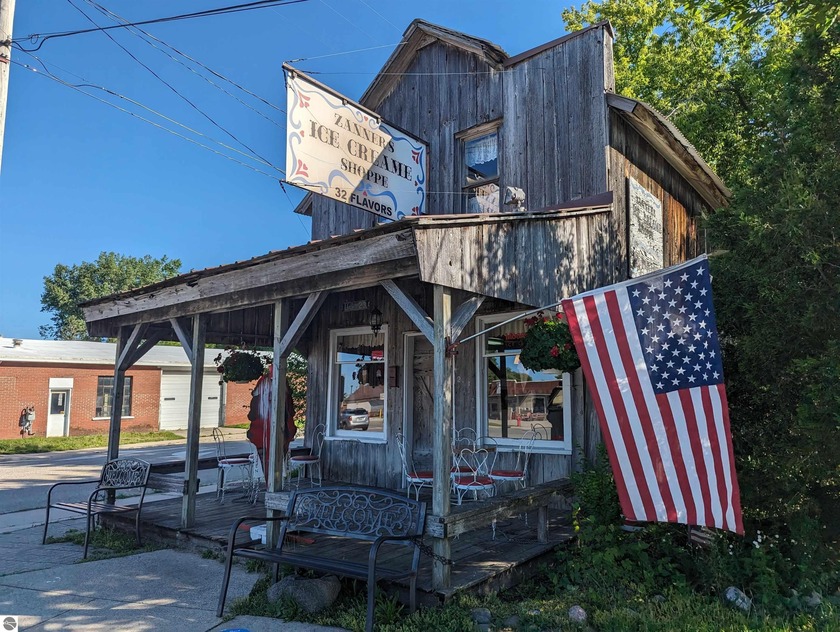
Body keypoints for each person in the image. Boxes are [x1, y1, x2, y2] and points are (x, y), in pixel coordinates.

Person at [246, 368, 297, 473]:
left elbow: (290, 411)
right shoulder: (259, 399)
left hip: (280, 433)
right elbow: (252, 415)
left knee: (279, 457)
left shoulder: (283, 392)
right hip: (261, 434)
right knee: (263, 460)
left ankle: (277, 478)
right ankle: (266, 478)